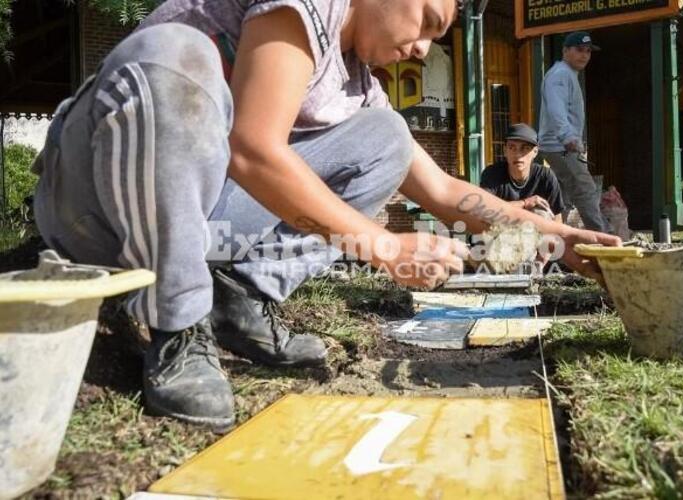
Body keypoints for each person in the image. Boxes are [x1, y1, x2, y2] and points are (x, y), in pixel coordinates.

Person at [32, 0, 620, 429]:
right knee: (176, 54)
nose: (423, 49)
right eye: (426, 22)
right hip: (95, 205)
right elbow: (253, 149)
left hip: (194, 220)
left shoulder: (355, 82)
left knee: (387, 137)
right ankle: (176, 325)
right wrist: (383, 247)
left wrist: (557, 238)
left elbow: (442, 189)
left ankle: (238, 298)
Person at [538, 31, 609, 232]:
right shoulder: (560, 74)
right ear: (565, 51)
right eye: (579, 50)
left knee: (564, 197)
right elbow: (556, 108)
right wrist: (567, 137)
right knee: (585, 189)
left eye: (588, 51)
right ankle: (604, 238)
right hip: (561, 146)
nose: (584, 55)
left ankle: (556, 238)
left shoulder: (565, 74)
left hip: (559, 145)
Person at [481, 123, 565, 223]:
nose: (518, 154)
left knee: (540, 212)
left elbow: (557, 217)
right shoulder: (492, 174)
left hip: (536, 231)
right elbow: (484, 210)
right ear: (505, 151)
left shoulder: (545, 176)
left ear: (535, 152)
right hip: (501, 229)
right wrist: (525, 203)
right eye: (512, 148)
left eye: (525, 148)